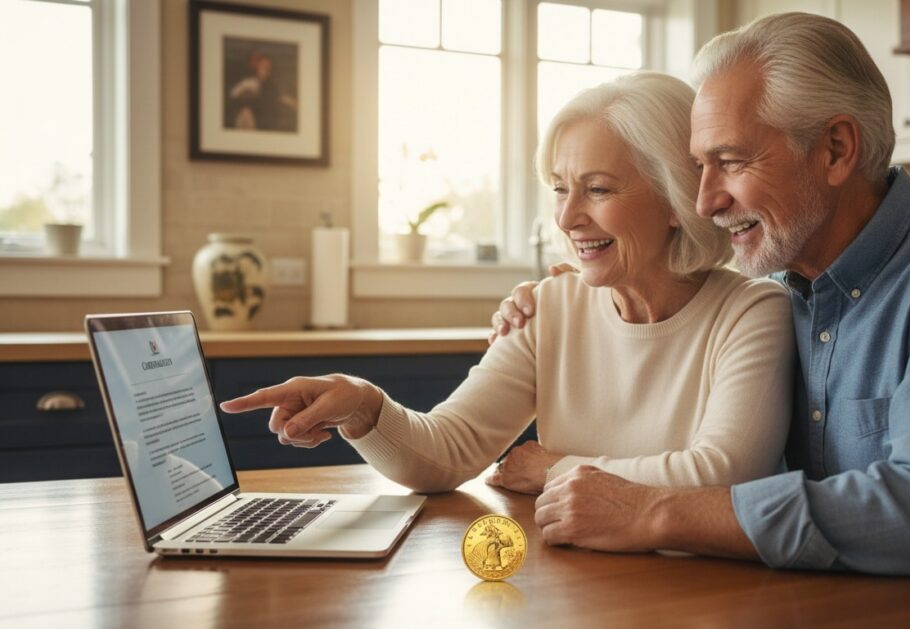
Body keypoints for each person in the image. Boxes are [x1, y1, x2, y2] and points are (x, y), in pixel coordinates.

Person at [491, 12, 910, 617]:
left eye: (729, 161)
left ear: (835, 149)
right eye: (700, 166)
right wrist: (582, 293)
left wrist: (653, 510)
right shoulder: (779, 292)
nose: (706, 200)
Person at [220, 72, 795, 498]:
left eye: (597, 189)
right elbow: (447, 452)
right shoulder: (550, 307)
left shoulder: (753, 310)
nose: (568, 218)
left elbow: (724, 475)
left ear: (676, 198)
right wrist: (365, 407)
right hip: (578, 587)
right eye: (558, 188)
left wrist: (555, 468)